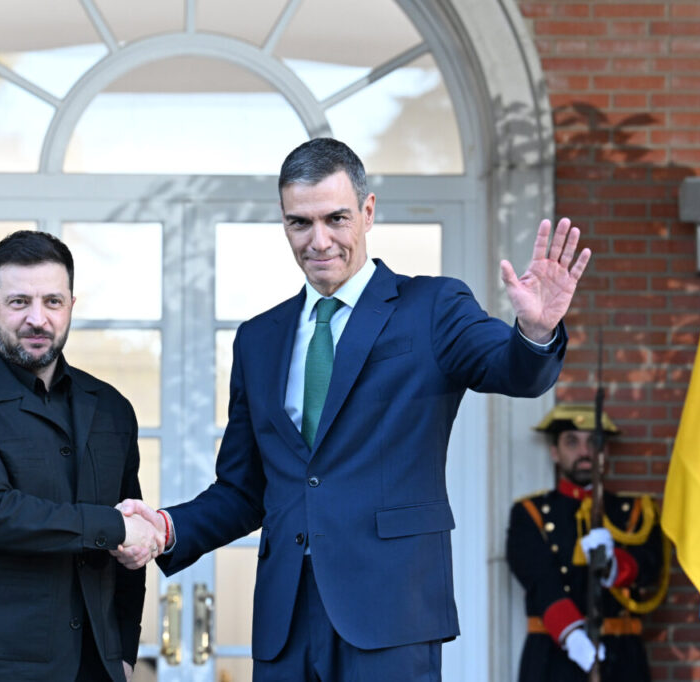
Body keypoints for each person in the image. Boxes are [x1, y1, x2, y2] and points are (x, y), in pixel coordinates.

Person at [114, 137, 590, 680]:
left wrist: (535, 329)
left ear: (367, 212)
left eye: (336, 218)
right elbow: (245, 490)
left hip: (391, 617)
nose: (319, 241)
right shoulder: (258, 339)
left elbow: (515, 372)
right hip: (285, 624)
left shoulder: (433, 307)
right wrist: (168, 527)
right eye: (300, 223)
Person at [0, 230, 164, 682]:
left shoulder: (111, 408)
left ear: (71, 305)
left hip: (97, 667)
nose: (38, 318)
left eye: (52, 301)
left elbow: (131, 543)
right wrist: (113, 528)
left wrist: (124, 652)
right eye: (19, 302)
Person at [506, 403, 668, 682]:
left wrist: (614, 566)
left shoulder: (636, 511)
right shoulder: (530, 513)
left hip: (621, 657)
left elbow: (652, 567)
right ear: (554, 452)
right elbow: (538, 579)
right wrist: (571, 634)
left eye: (594, 442)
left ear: (605, 452)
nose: (584, 452)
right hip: (553, 655)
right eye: (572, 442)